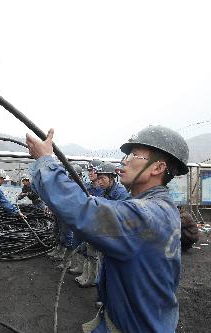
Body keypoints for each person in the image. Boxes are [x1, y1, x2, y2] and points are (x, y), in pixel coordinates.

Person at [26, 125, 189, 333]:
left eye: (134, 155)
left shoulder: (146, 214)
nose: (124, 160)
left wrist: (45, 161)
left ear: (157, 168)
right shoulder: (161, 206)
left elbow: (82, 211)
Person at [75, 161, 131, 288]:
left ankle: (104, 291)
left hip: (114, 235)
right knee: (93, 254)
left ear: (111, 178)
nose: (99, 182)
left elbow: (122, 216)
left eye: (102, 178)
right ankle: (94, 281)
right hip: (101, 229)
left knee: (108, 265)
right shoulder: (105, 191)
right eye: (98, 178)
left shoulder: (121, 193)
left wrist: (99, 203)